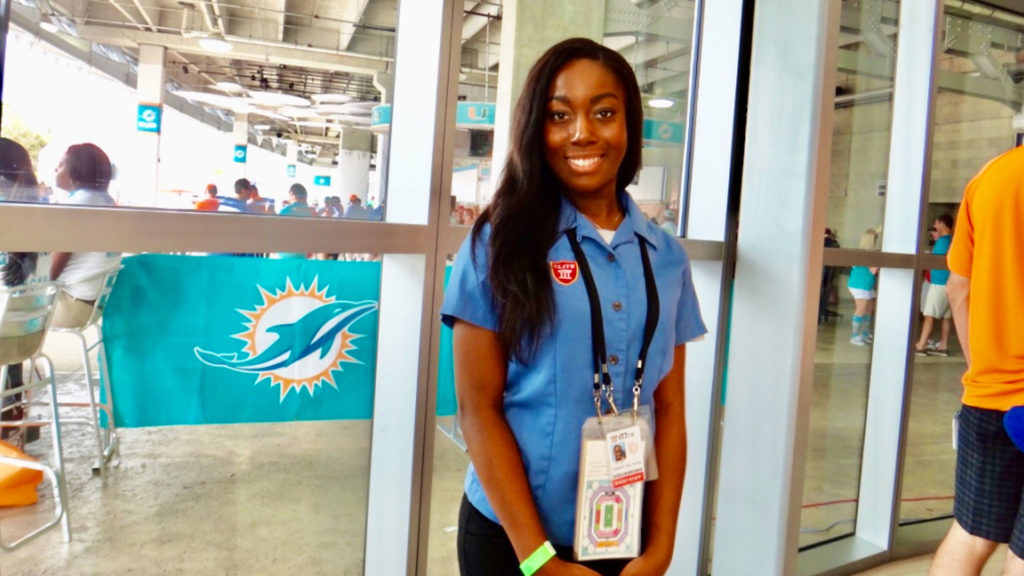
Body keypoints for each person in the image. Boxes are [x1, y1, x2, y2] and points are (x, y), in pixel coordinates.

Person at [441, 38, 706, 576]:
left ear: (629, 125)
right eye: (560, 115)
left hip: (618, 533)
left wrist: (659, 548)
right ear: (537, 129)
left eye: (604, 113)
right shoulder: (498, 245)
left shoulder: (668, 259)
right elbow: (478, 408)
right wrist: (539, 560)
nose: (582, 132)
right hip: (513, 545)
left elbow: (671, 409)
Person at [928, 146, 1024, 575]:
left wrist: (982, 364)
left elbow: (957, 289)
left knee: (970, 535)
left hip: (988, 396)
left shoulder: (993, 175)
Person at [49, 143, 121, 329]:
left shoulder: (78, 204)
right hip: (93, 305)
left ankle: (15, 355)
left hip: (70, 307)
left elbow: (51, 272)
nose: (55, 168)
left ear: (77, 171)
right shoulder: (105, 201)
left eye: (61, 164)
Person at [914, 214, 954, 356]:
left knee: (929, 315)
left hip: (939, 283)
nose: (935, 226)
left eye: (936, 223)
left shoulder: (943, 242)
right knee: (946, 317)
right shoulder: (951, 240)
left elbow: (935, 262)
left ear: (943, 224)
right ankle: (943, 345)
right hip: (949, 284)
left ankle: (921, 344)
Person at [847, 228, 880, 346]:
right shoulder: (866, 254)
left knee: (869, 308)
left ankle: (865, 334)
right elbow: (873, 270)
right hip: (860, 285)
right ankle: (854, 335)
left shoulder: (865, 253)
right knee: (861, 308)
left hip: (866, 285)